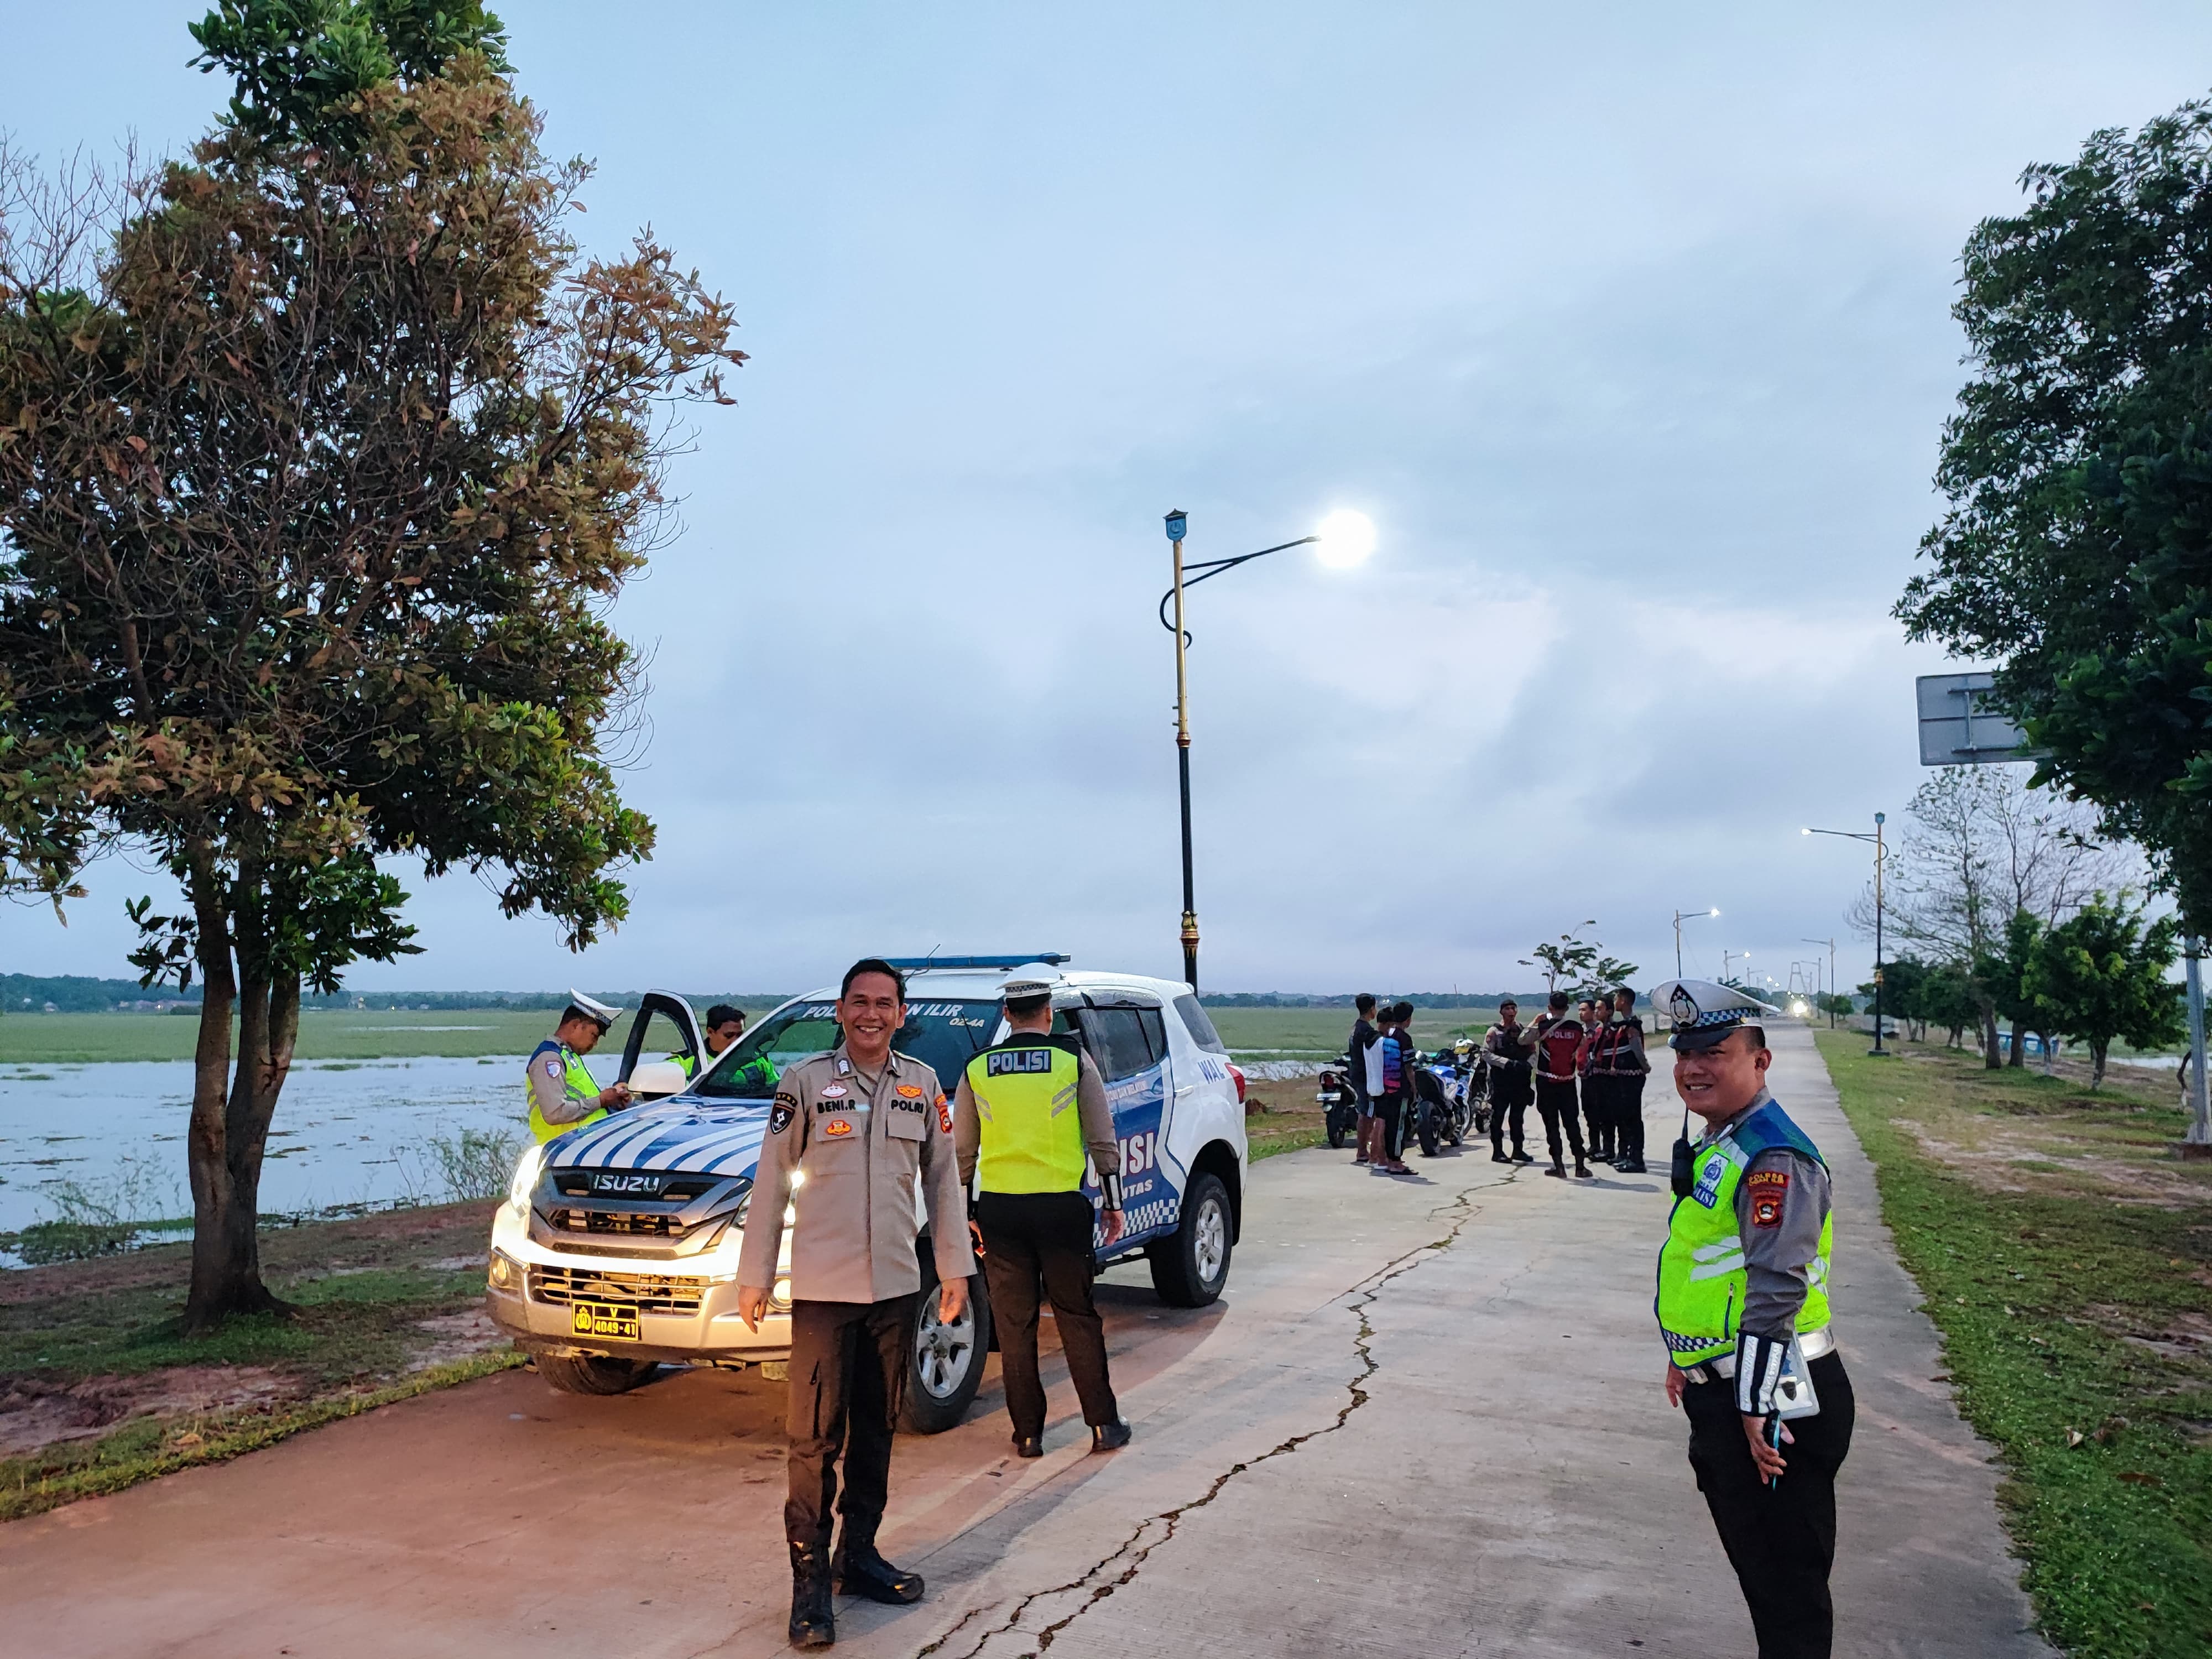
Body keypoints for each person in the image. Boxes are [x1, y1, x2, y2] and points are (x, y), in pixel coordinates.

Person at [735, 958, 975, 1650]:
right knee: (813, 1442)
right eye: (859, 1002)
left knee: (876, 1430)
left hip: (897, 1289)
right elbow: (773, 1183)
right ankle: (808, 1588)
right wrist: (755, 1276)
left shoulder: (923, 1086)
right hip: (822, 1294)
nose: (871, 1014)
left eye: (885, 1003)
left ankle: (859, 1555)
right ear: (840, 1011)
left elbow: (943, 1186)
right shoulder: (805, 1083)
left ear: (902, 1014)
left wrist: (953, 1270)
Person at [1653, 978, 1853, 1659]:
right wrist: (1687, 1355)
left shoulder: (1774, 1156)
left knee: (1787, 1587)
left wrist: (1755, 1401)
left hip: (1774, 1399)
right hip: (1730, 1386)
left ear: (1759, 1061)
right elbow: (1712, 1268)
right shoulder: (1728, 1140)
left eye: (1715, 1051)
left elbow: (1776, 1286)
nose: (1693, 1067)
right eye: (1684, 1054)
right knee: (1765, 1579)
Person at [953, 971, 1132, 1458]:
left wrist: (967, 1212)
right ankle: (1103, 1425)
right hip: (1061, 1208)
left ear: (1007, 1015)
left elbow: (963, 1150)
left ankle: (1028, 1435)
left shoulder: (978, 1067)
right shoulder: (1072, 1060)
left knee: (1014, 1325)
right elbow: (1101, 1135)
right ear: (1049, 1013)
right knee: (1077, 1315)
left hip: (1001, 1211)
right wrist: (1113, 1202)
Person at [524, 990, 632, 1144]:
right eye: (593, 1035)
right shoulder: (550, 1058)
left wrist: (613, 1099)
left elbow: (580, 1098)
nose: (595, 1044)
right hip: (562, 1152)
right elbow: (555, 1113)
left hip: (582, 1149)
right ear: (575, 1025)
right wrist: (601, 1101)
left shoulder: (569, 1056)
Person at [1531, 991, 1593, 1179]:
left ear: (1550, 1008)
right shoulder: (1576, 1028)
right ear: (1567, 1009)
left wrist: (1536, 1021)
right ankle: (1580, 1166)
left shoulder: (1542, 1027)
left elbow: (1523, 1039)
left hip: (1546, 1082)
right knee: (1572, 1124)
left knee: (1551, 1125)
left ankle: (1559, 1166)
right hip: (1567, 1082)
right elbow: (1581, 1046)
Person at [1604, 987, 1651, 1173]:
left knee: (1633, 1118)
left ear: (1623, 1000)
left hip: (1632, 1075)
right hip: (1624, 1076)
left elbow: (1637, 1049)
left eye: (1616, 998)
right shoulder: (1623, 1023)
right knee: (1625, 1117)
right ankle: (1629, 1156)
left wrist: (1644, 1066)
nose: (1615, 1001)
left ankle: (1637, 1159)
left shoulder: (1631, 1024)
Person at [1484, 999, 1535, 1164]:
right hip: (1501, 1081)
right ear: (1501, 1012)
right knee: (1498, 1117)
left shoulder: (1522, 1030)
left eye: (1513, 1008)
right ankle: (1497, 1151)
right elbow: (1486, 1054)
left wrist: (1528, 1065)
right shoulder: (1495, 1032)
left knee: (1517, 1117)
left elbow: (1533, 1051)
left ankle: (1518, 1150)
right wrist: (1506, 1063)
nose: (1511, 1011)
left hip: (1519, 1081)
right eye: (1507, 1008)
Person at [1371, 1002, 1416, 1174]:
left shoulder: (1387, 1035)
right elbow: (1409, 1068)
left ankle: (1390, 1158)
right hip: (1400, 1089)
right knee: (1399, 1127)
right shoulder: (1404, 1038)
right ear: (1408, 1019)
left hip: (1387, 1087)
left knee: (1390, 1125)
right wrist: (1414, 1088)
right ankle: (1395, 1162)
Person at [1348, 993, 1382, 1166]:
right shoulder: (1366, 1031)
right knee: (1367, 1114)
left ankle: (1363, 1149)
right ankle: (1362, 1151)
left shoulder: (1355, 1028)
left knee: (1365, 1111)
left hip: (1356, 1074)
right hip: (1365, 1077)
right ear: (1371, 1009)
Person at [1577, 995, 1611, 1162]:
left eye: (1584, 1010)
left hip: (1599, 1077)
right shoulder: (1580, 1032)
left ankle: (1607, 1148)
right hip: (1584, 1077)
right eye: (1579, 1010)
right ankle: (1594, 1145)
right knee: (1589, 1112)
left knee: (1602, 1112)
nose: (1581, 1014)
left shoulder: (1600, 1031)